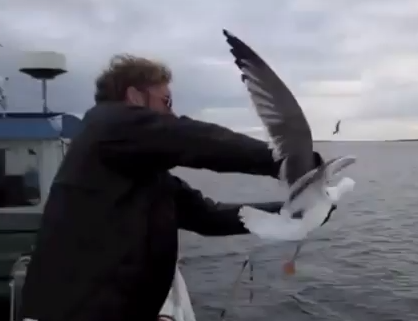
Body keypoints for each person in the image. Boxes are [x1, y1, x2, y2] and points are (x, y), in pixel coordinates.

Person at [20, 54, 323, 321]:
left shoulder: (144, 173)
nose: (172, 114)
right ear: (135, 97)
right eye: (166, 102)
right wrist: (291, 162)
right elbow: (192, 139)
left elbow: (208, 216)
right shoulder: (105, 125)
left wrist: (293, 213)